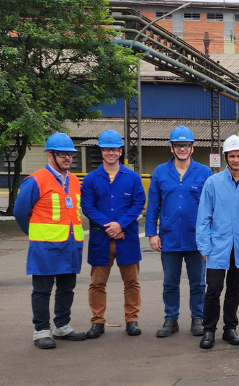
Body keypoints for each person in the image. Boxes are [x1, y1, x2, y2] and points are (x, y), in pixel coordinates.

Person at [13, 133, 87, 348]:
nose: (68, 158)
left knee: (67, 288)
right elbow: (20, 212)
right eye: (62, 154)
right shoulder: (36, 180)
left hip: (70, 245)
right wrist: (35, 233)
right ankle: (41, 331)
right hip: (45, 246)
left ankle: (62, 326)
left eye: (70, 154)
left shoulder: (73, 180)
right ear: (50, 154)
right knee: (42, 290)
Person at [146, 125, 213, 338]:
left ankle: (197, 318)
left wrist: (210, 235)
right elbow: (153, 205)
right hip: (169, 237)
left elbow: (212, 206)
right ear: (171, 148)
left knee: (198, 282)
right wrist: (152, 233)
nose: (182, 148)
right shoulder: (160, 172)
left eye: (186, 145)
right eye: (178, 145)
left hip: (196, 238)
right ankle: (171, 319)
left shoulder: (204, 172)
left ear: (192, 148)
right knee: (170, 282)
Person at [196, 135, 239, 349]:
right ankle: (208, 330)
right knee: (213, 289)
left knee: (234, 288)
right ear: (225, 158)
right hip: (216, 246)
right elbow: (204, 216)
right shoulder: (212, 183)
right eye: (232, 156)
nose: (236, 160)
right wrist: (204, 245)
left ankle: (230, 328)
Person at [81, 130, 146, 338]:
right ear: (101, 151)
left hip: (126, 238)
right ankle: (98, 321)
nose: (111, 152)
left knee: (132, 282)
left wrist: (120, 225)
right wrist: (109, 226)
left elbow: (138, 204)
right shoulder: (91, 179)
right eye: (107, 149)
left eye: (115, 149)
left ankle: (132, 320)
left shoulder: (133, 178)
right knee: (97, 283)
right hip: (102, 239)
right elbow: (88, 207)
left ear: (120, 151)